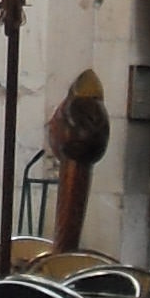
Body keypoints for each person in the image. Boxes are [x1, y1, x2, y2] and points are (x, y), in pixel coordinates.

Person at [45, 66, 112, 255]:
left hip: (75, 152)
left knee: (67, 230)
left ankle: (63, 255)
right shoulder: (90, 111)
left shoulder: (77, 115)